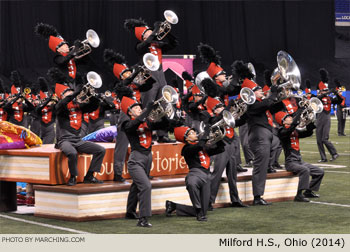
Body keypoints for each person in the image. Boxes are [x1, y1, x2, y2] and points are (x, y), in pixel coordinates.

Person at [103, 48, 154, 182]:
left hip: (139, 112)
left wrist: (145, 71)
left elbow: (150, 83)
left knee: (143, 142)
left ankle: (144, 172)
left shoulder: (134, 82)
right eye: (125, 72)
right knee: (122, 144)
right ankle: (118, 173)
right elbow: (128, 82)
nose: (129, 73)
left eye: (128, 71)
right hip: (126, 115)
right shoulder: (121, 85)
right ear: (120, 75)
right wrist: (136, 72)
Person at [124, 18, 178, 143]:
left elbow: (174, 44)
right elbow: (144, 44)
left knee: (164, 104)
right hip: (148, 76)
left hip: (160, 74)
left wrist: (167, 32)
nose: (150, 33)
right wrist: (154, 31)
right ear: (142, 36)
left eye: (150, 31)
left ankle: (162, 134)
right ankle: (147, 132)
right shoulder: (140, 46)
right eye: (147, 32)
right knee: (149, 104)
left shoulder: (158, 45)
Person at [120, 95, 169, 227]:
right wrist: (147, 110)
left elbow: (164, 125)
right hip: (136, 159)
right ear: (129, 112)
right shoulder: (126, 124)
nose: (139, 109)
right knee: (146, 186)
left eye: (139, 107)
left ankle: (130, 211)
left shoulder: (147, 121)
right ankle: (143, 219)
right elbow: (135, 124)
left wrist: (163, 112)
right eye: (136, 108)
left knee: (137, 185)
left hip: (148, 157)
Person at [165, 126, 225, 221]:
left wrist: (219, 136)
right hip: (195, 174)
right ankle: (197, 211)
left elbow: (221, 149)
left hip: (206, 176)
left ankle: (174, 206)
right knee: (191, 184)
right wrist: (206, 133)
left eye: (194, 132)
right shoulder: (186, 149)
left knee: (203, 211)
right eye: (191, 133)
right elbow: (198, 147)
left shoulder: (202, 146)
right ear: (186, 138)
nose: (195, 134)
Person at [54, 76, 106, 186]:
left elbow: (92, 106)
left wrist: (92, 95)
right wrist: (75, 92)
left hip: (77, 140)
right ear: (62, 96)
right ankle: (73, 177)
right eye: (67, 92)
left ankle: (90, 176)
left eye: (71, 92)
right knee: (72, 153)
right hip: (64, 140)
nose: (71, 94)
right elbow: (62, 104)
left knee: (100, 150)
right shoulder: (60, 106)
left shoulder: (79, 106)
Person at [203, 97, 248, 210]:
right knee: (217, 174)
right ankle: (209, 201)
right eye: (219, 107)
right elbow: (216, 121)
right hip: (221, 146)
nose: (222, 108)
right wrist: (227, 108)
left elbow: (240, 121)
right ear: (214, 110)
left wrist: (247, 111)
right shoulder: (212, 118)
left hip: (232, 144)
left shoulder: (228, 117)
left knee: (233, 175)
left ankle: (235, 199)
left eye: (222, 106)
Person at [276, 110, 324, 202]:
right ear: (283, 121)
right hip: (290, 162)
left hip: (299, 161)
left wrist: (310, 122)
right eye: (287, 118)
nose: (290, 118)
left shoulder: (295, 131)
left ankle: (308, 191)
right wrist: (299, 113)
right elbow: (289, 130)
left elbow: (308, 133)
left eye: (290, 117)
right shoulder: (281, 131)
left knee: (319, 171)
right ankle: (298, 195)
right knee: (305, 170)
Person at [316, 69, 342, 162]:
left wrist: (337, 94)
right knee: (319, 140)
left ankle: (334, 153)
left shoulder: (330, 98)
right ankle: (323, 158)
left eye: (326, 90)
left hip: (326, 118)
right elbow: (317, 99)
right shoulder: (316, 98)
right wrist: (326, 93)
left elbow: (339, 101)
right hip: (319, 118)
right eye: (324, 90)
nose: (326, 91)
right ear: (320, 91)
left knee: (324, 139)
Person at [35, 77, 56, 144]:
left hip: (50, 127)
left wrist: (53, 100)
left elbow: (59, 105)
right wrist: (47, 101)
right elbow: (38, 109)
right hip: (41, 128)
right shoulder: (39, 107)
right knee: (41, 145)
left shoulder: (53, 107)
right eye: (44, 100)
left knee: (48, 145)